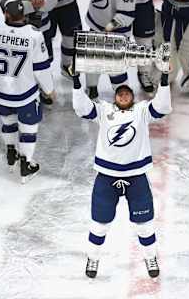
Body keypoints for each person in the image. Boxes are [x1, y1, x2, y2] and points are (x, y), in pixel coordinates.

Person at [71, 63, 172, 279]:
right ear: (115, 97)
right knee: (99, 225)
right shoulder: (104, 110)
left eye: (127, 94)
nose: (124, 96)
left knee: (144, 226)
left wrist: (164, 77)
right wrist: (76, 80)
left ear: (133, 98)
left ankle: (150, 256)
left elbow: (162, 107)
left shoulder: (142, 111)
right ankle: (93, 258)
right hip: (107, 177)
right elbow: (81, 108)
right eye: (121, 93)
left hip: (136, 177)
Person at [0, 0, 55, 182]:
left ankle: (11, 153)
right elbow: (41, 68)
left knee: (8, 122)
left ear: (6, 14)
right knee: (28, 129)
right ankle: (26, 164)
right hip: (24, 93)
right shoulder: (33, 34)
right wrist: (49, 89)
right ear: (23, 14)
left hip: (0, 90)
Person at [0, 0, 58, 106]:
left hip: (41, 29)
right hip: (17, 32)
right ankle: (18, 89)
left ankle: (42, 87)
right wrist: (32, 5)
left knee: (44, 60)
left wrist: (43, 2)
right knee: (19, 62)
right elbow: (5, 4)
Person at [84, 0, 138, 99]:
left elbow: (127, 15)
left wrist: (110, 26)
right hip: (96, 24)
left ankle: (122, 92)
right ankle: (91, 88)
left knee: (115, 66)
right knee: (92, 59)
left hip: (116, 32)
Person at [49, 0, 84, 80]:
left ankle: (67, 65)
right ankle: (43, 71)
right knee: (42, 40)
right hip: (42, 5)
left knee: (72, 37)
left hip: (68, 2)